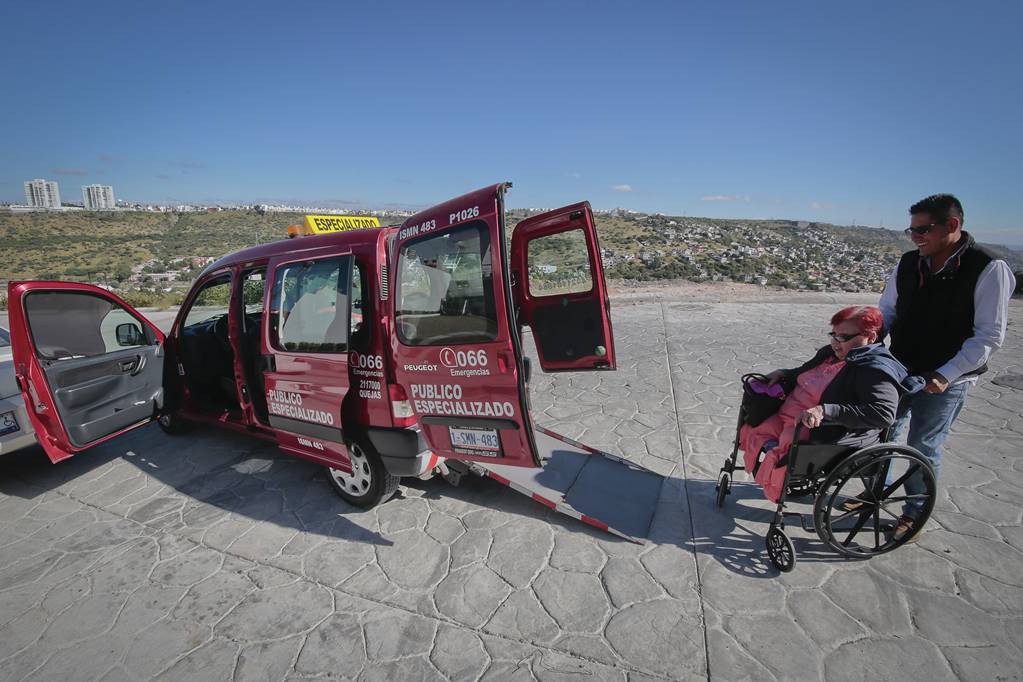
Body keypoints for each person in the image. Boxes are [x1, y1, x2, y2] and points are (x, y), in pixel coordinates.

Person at [879, 194, 1016, 541]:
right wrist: (866, 339)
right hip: (901, 367)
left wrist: (945, 375)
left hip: (946, 378)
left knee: (923, 446)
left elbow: (988, 337)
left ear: (952, 226)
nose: (915, 237)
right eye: (911, 230)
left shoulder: (987, 268)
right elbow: (887, 311)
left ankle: (914, 514)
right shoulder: (909, 263)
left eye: (923, 230)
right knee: (882, 433)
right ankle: (874, 494)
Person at [741, 306, 923, 503]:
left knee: (786, 446)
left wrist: (826, 410)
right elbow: (805, 372)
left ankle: (776, 486)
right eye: (833, 335)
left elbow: (883, 414)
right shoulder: (831, 353)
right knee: (756, 423)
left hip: (824, 430)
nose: (835, 343)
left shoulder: (875, 369)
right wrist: (784, 373)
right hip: (791, 416)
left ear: (870, 337)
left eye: (843, 337)